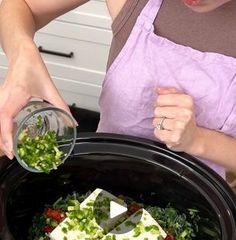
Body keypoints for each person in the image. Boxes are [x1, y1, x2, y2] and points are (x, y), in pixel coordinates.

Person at [0, 0, 235, 178]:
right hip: (103, 175)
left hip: (198, 200)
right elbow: (18, 5)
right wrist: (22, 52)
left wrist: (198, 140)